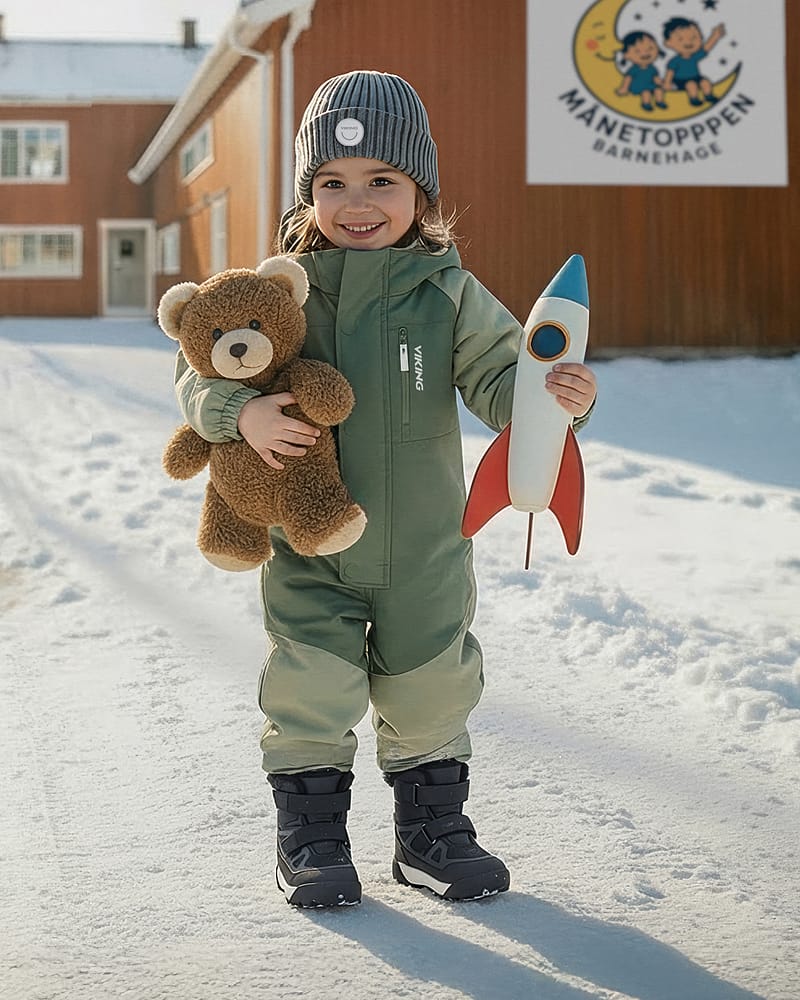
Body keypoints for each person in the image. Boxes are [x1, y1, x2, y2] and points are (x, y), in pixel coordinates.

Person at [174, 70, 597, 908]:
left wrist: (553, 401)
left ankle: (431, 835)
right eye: (332, 182)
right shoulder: (278, 290)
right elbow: (193, 368)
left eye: (382, 182)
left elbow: (500, 378)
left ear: (419, 192)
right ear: (308, 195)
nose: (356, 201)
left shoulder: (449, 292)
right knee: (311, 684)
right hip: (307, 539)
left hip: (425, 545)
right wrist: (239, 412)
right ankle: (314, 839)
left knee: (432, 684)